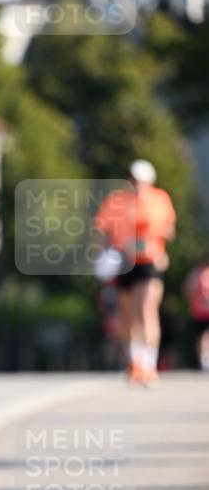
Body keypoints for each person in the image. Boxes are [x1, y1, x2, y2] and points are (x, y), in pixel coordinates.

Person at [95, 159, 176, 384]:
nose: (137, 184)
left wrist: (156, 243)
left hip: (149, 262)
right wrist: (105, 256)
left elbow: (169, 229)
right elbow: (105, 231)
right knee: (127, 316)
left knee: (146, 310)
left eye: (141, 180)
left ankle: (149, 364)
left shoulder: (160, 199)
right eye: (133, 179)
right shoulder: (117, 201)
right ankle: (134, 362)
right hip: (124, 263)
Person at [184, 256, 209, 372]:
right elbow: (188, 290)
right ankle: (203, 360)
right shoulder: (196, 273)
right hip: (199, 310)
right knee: (201, 336)